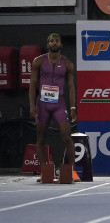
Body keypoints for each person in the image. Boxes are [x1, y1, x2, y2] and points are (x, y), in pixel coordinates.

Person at [29, 33, 78, 182]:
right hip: (42, 104)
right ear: (48, 44)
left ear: (61, 44)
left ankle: (71, 170)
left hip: (58, 104)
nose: (54, 43)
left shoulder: (68, 64)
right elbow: (32, 84)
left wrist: (73, 107)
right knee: (41, 137)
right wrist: (32, 105)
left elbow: (70, 87)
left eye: (57, 40)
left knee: (67, 137)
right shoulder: (38, 61)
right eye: (51, 41)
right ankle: (45, 170)